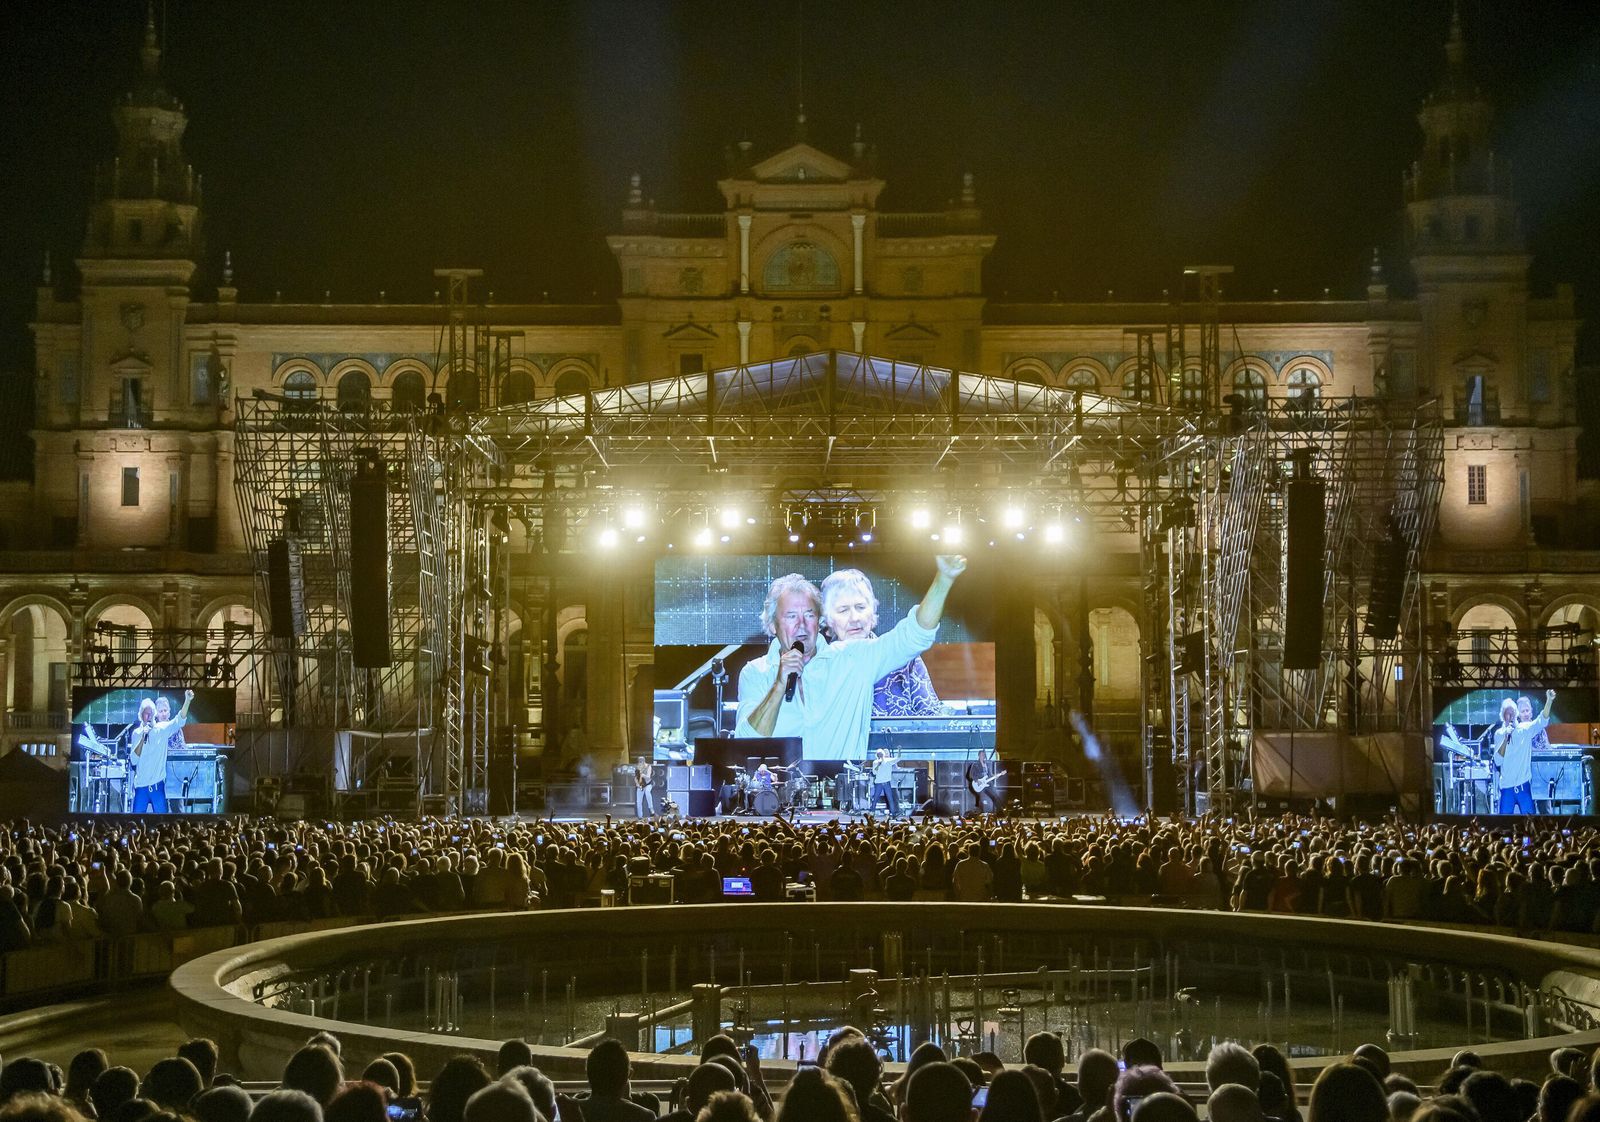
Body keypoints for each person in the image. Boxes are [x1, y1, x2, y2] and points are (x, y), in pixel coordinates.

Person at [735, 556, 967, 760]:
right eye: (791, 616)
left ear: (819, 621)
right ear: (773, 625)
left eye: (809, 615)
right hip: (775, 799)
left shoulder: (853, 659)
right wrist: (778, 685)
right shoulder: (755, 673)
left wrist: (944, 579)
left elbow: (914, 635)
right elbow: (746, 741)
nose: (802, 625)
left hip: (841, 798)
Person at [819, 568, 945, 717]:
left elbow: (933, 720)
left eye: (860, 607)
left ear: (872, 612)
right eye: (843, 610)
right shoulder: (819, 666)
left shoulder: (906, 659)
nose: (854, 618)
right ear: (828, 619)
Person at [129, 689, 194, 814]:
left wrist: (187, 701)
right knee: (136, 819)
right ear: (141, 715)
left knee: (162, 819)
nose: (148, 716)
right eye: (145, 713)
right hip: (141, 785)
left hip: (157, 785)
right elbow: (134, 760)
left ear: (154, 715)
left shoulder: (161, 729)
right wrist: (143, 738)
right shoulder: (136, 733)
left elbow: (179, 720)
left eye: (150, 713)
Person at [1494, 689, 1554, 815]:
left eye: (1512, 713)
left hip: (1523, 786)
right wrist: (1505, 739)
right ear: (1503, 716)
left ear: (1516, 715)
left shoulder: (1524, 730)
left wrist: (1549, 700)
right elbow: (1498, 761)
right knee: (1504, 824)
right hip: (1506, 788)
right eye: (1507, 714)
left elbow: (1542, 720)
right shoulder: (1499, 734)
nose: (1510, 717)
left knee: (1530, 822)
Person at [870, 749, 901, 819]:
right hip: (878, 783)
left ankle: (893, 814)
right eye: (878, 754)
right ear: (877, 755)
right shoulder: (875, 762)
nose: (880, 756)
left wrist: (899, 750)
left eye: (880, 754)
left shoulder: (888, 761)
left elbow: (898, 758)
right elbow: (874, 772)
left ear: (883, 754)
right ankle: (872, 813)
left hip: (886, 782)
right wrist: (878, 765)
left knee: (890, 798)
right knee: (875, 798)